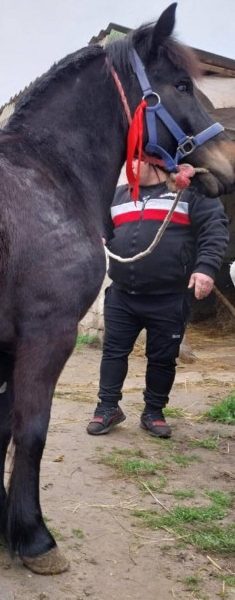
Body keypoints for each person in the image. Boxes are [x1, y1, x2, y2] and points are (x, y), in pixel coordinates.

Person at [87, 161, 229, 438]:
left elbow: (215, 228)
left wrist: (206, 269)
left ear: (154, 162)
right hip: (123, 294)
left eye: (135, 159)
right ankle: (107, 408)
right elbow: (102, 226)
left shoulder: (188, 193)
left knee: (162, 358)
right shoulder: (118, 196)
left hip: (169, 295)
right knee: (113, 352)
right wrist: (98, 234)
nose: (129, 164)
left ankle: (153, 412)